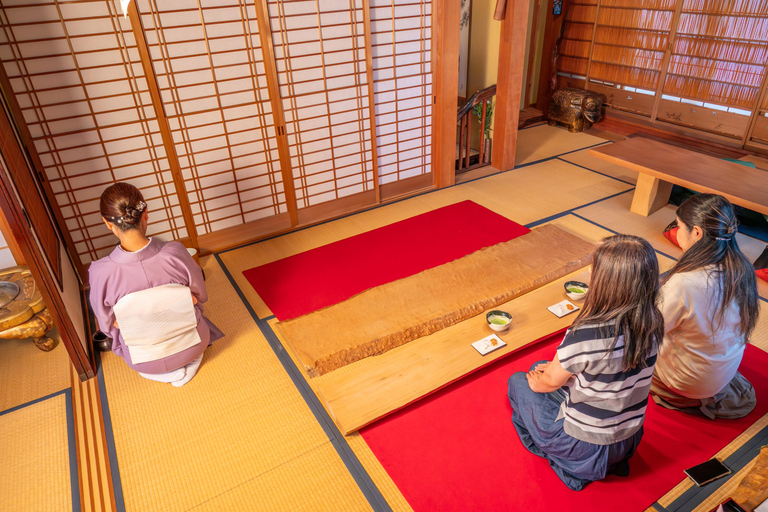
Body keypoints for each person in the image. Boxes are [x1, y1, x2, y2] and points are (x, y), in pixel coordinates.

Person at [507, 234, 663, 490]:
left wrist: (538, 384)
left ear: (609, 282)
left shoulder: (587, 333)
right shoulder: (654, 320)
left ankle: (571, 465)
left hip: (583, 446)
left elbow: (547, 383)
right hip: (628, 440)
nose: (590, 272)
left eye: (595, 268)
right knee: (544, 366)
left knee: (519, 381)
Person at [89, 182, 223, 387]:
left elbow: (107, 326)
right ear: (145, 214)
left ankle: (162, 373)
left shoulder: (100, 272)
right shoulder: (175, 252)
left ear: (107, 223)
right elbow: (201, 295)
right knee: (194, 307)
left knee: (117, 328)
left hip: (143, 360)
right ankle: (189, 363)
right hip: (194, 344)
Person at [652, 194, 759, 419]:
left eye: (679, 227)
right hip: (720, 373)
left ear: (697, 232)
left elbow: (649, 331)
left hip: (687, 384)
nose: (676, 233)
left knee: (622, 348)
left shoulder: (685, 283)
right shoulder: (742, 268)